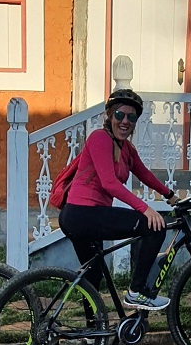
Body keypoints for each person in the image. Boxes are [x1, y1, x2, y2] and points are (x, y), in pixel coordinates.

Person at [58, 89, 179, 310]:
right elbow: (109, 183)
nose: (125, 121)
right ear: (110, 116)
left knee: (93, 276)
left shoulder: (127, 149)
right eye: (120, 115)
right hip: (83, 213)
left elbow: (145, 174)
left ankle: (91, 333)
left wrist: (170, 196)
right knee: (155, 228)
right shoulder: (99, 138)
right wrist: (145, 209)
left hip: (82, 216)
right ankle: (137, 291)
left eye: (131, 117)